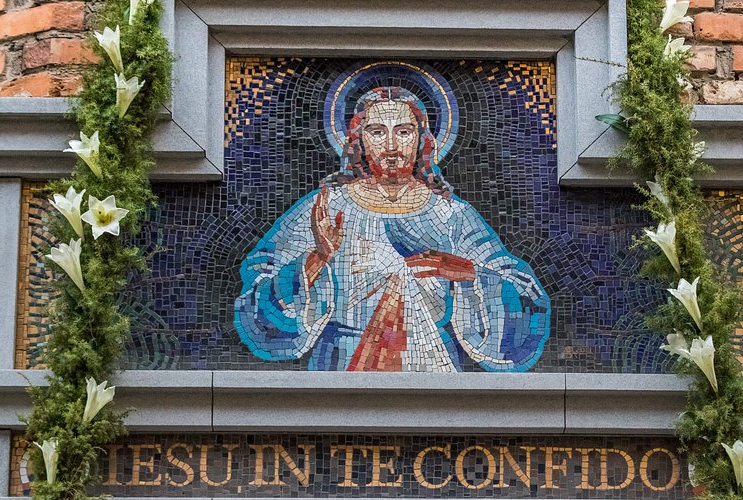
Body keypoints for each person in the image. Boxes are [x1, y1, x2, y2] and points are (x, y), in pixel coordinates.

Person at [234, 87, 550, 372]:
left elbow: (524, 298)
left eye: (403, 131)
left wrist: (466, 271)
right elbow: (256, 302)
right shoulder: (325, 208)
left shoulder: (452, 214)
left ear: (422, 139)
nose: (390, 145)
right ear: (358, 140)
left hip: (432, 365)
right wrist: (318, 258)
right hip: (340, 366)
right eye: (376, 131)